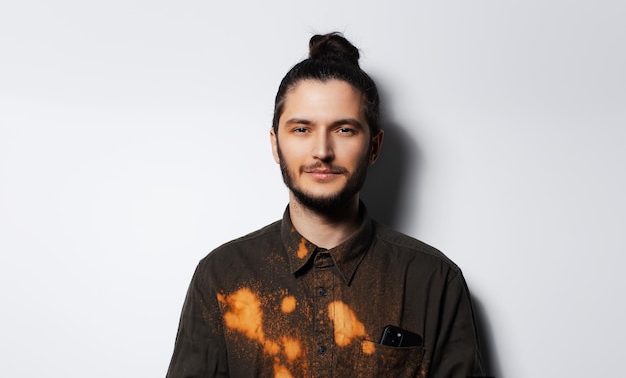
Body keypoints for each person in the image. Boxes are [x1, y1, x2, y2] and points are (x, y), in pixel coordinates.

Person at [166, 33, 486, 378]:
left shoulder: (433, 279)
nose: (322, 150)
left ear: (374, 147)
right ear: (276, 145)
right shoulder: (221, 276)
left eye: (344, 129)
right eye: (302, 129)